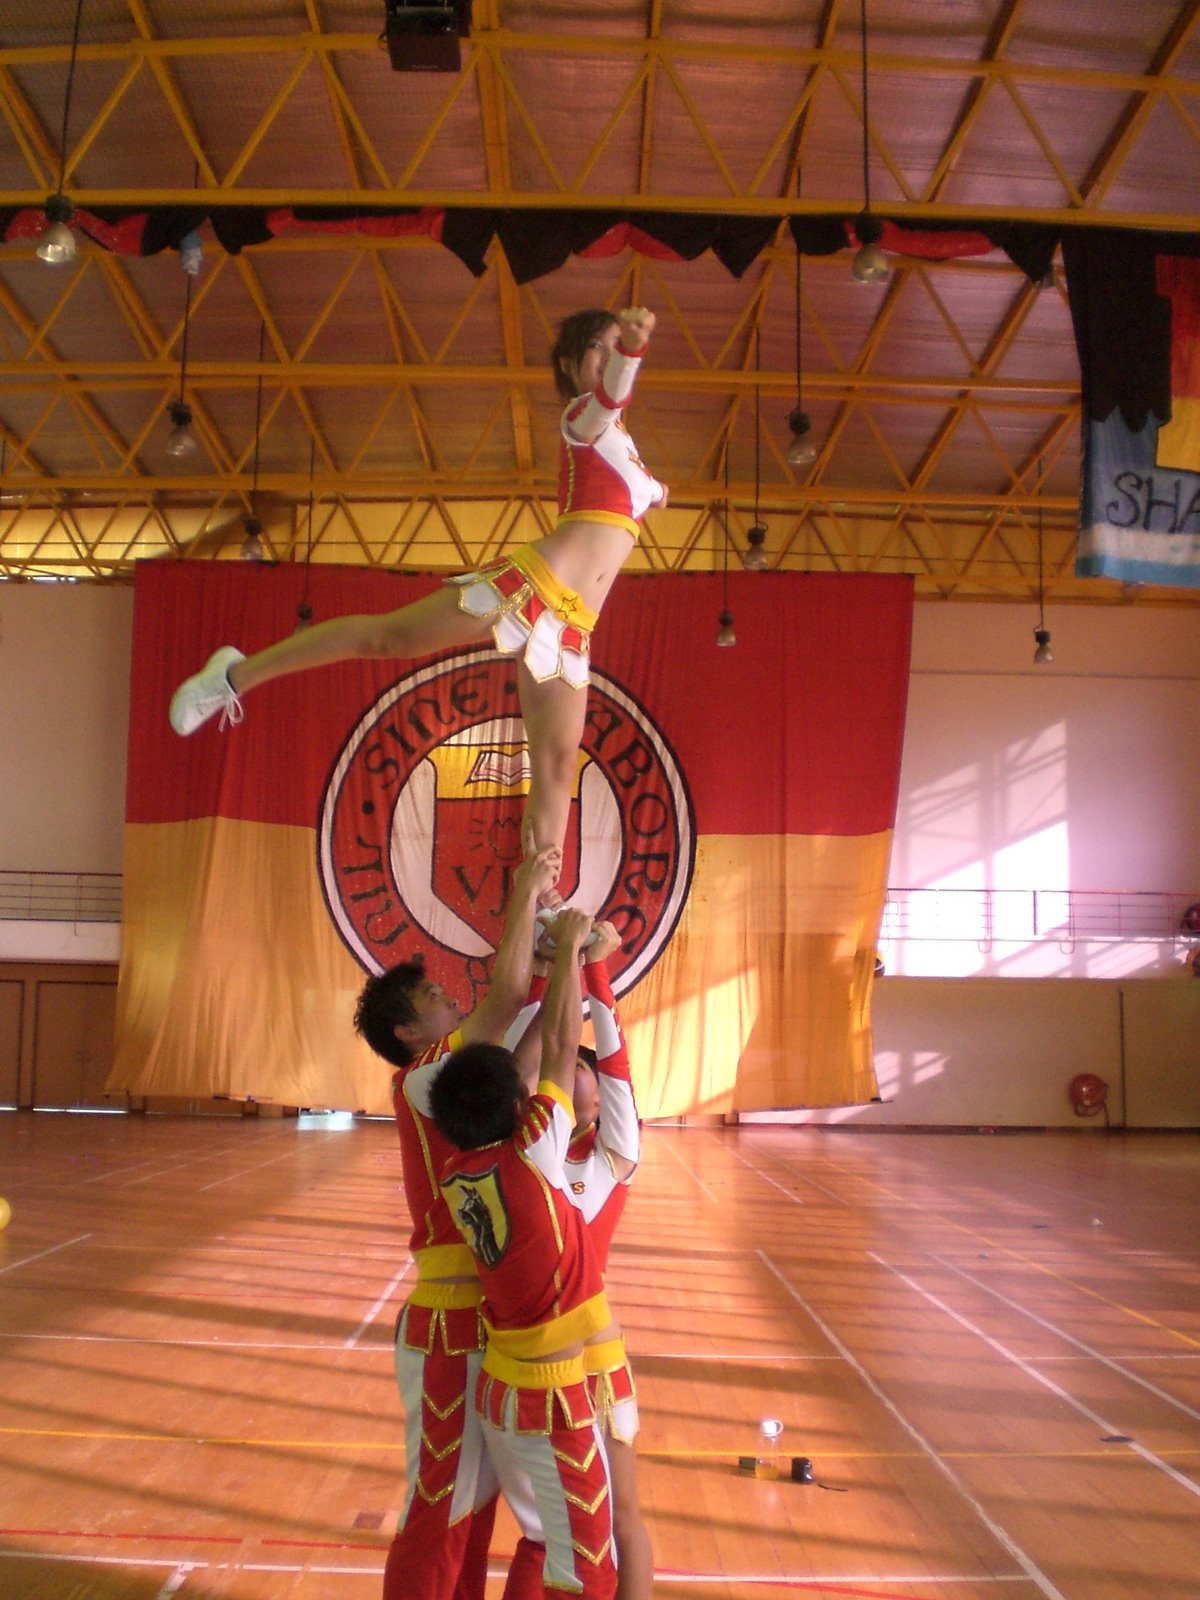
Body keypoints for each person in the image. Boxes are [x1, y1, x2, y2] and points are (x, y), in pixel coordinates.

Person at [167, 306, 668, 890]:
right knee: (387, 637)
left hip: (573, 624)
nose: (609, 357)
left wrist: (658, 490)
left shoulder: (622, 445)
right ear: (570, 364)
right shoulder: (584, 417)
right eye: (600, 347)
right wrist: (633, 351)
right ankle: (232, 676)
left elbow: (642, 485)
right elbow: (611, 399)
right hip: (532, 585)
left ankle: (540, 902)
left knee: (557, 765)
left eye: (616, 347)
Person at [352, 846, 560, 1600]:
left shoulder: (454, 1078)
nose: (451, 1000)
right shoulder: (421, 1079)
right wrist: (526, 891)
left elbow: (526, 1057)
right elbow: (505, 998)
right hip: (448, 1323)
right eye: (436, 998)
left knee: (473, 1505)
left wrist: (558, 974)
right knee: (442, 1504)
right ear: (410, 1033)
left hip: (481, 1316)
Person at [430, 910, 622, 1600]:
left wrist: (547, 972)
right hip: (550, 1399)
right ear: (519, 1107)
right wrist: (568, 952)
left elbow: (518, 1072)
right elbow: (564, 1045)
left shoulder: (456, 1168)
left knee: (544, 1545)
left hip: (504, 1390)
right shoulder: (533, 1151)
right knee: (588, 1568)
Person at [502, 920, 653, 1600]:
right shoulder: (521, 1147)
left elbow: (615, 1067)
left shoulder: (612, 1161)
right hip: (526, 1361)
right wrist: (543, 974)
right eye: (570, 1067)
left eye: (583, 1072)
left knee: (621, 1520)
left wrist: (595, 969)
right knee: (543, 1531)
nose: (574, 1073)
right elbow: (522, 1064)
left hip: (594, 1367)